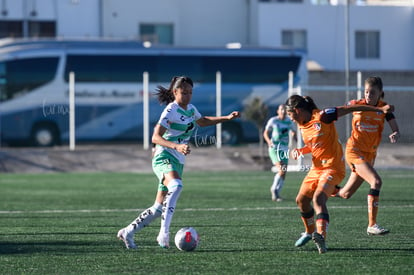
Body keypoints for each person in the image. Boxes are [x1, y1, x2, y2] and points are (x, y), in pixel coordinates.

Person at [117, 76, 240, 249]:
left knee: (158, 208)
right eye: (184, 92)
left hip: (177, 160)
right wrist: (177, 146)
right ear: (175, 92)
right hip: (164, 155)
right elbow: (155, 137)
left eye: (190, 92)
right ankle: (163, 234)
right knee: (176, 186)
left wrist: (226, 118)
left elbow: (202, 121)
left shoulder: (190, 109)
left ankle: (128, 232)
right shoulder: (171, 110)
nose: (188, 96)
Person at [285, 95, 393, 254]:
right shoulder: (302, 124)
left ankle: (321, 237)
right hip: (316, 169)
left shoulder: (323, 116)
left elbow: (351, 108)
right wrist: (301, 150)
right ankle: (310, 232)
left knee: (318, 199)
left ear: (297, 110)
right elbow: (315, 145)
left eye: (290, 115)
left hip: (333, 168)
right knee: (301, 201)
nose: (290, 119)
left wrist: (379, 109)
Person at [334, 76, 400, 235]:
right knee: (376, 181)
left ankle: (326, 189)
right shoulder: (356, 104)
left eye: (372, 92)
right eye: (366, 92)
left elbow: (395, 127)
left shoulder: (384, 108)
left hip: (370, 155)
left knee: (345, 194)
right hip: (354, 151)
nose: (368, 95)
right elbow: (339, 110)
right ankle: (372, 224)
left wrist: (395, 133)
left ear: (380, 93)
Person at [263, 104, 296, 202]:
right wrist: (269, 142)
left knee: (283, 172)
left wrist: (295, 137)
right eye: (281, 109)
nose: (283, 111)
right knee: (281, 169)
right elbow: (265, 133)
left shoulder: (289, 121)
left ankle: (277, 192)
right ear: (278, 111)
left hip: (284, 148)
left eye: (284, 110)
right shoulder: (273, 120)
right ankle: (274, 190)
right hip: (274, 148)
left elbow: (293, 131)